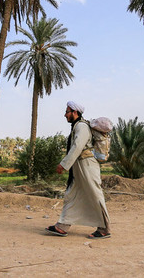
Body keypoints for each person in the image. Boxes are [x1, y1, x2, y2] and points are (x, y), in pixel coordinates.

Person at [45, 101, 111, 239]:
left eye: (67, 112)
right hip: (79, 166)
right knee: (72, 194)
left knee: (95, 194)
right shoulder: (78, 125)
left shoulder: (81, 126)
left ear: (75, 112)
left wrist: (63, 164)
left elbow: (77, 146)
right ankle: (62, 226)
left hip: (87, 165)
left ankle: (105, 228)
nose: (65, 115)